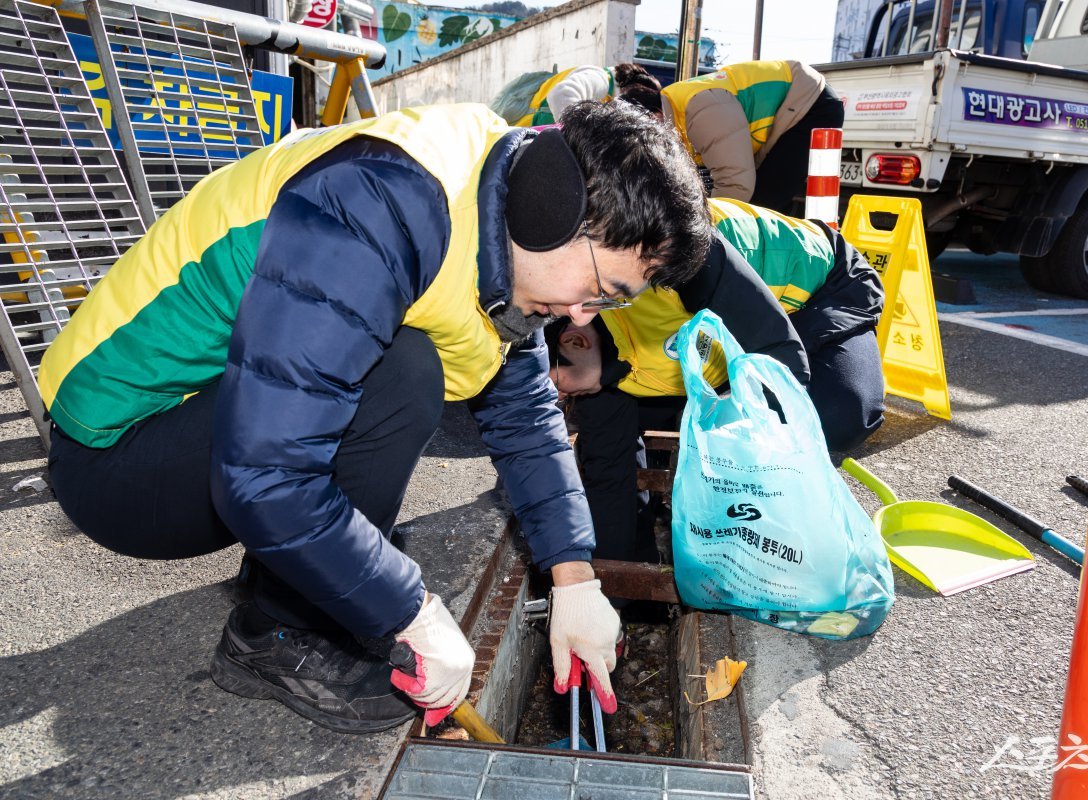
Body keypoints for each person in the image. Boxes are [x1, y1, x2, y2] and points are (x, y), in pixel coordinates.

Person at [39, 101, 711, 733]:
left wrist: (574, 577)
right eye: (600, 288)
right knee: (403, 372)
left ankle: (293, 571)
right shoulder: (379, 202)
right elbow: (268, 476)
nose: (585, 316)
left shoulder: (497, 211)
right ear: (553, 211)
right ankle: (278, 632)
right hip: (119, 454)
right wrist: (409, 610)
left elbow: (525, 411)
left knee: (403, 372)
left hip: (219, 425)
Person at [547, 198, 884, 562]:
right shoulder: (594, 364)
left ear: (574, 340)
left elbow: (778, 364)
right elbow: (609, 477)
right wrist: (615, 594)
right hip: (728, 333)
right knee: (612, 431)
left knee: (838, 416)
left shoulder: (665, 265)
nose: (561, 396)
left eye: (558, 384)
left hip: (815, 288)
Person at [657, 60, 844, 216]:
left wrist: (702, 233)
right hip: (795, 106)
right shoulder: (677, 109)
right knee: (765, 209)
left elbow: (735, 185)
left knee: (759, 207)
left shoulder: (702, 108)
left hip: (810, 104)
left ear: (653, 116)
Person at [490, 63, 662, 127]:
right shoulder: (601, 79)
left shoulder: (607, 90)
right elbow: (560, 95)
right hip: (519, 124)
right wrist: (580, 138)